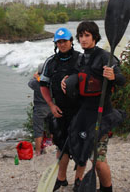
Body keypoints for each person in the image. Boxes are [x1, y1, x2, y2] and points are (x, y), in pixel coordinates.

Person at [62, 21, 126, 192]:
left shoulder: (106, 56)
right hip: (85, 114)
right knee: (87, 155)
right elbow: (77, 76)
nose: (83, 39)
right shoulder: (82, 58)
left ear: (95, 37)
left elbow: (122, 81)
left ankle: (107, 189)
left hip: (102, 115)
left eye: (87, 35)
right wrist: (66, 81)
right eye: (81, 36)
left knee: (98, 160)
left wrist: (113, 76)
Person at [40, 27, 84, 192]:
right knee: (61, 147)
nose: (62, 44)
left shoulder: (82, 59)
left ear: (71, 41)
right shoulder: (51, 62)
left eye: (64, 41)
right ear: (56, 44)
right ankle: (61, 179)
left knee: (81, 146)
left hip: (80, 111)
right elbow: (43, 86)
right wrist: (51, 105)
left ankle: (78, 180)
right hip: (60, 111)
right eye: (59, 42)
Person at [28, 63, 51, 156]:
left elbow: (29, 83)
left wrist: (35, 77)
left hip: (39, 108)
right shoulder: (51, 81)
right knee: (52, 128)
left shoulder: (36, 82)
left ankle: (37, 152)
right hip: (51, 107)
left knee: (38, 130)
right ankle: (54, 147)